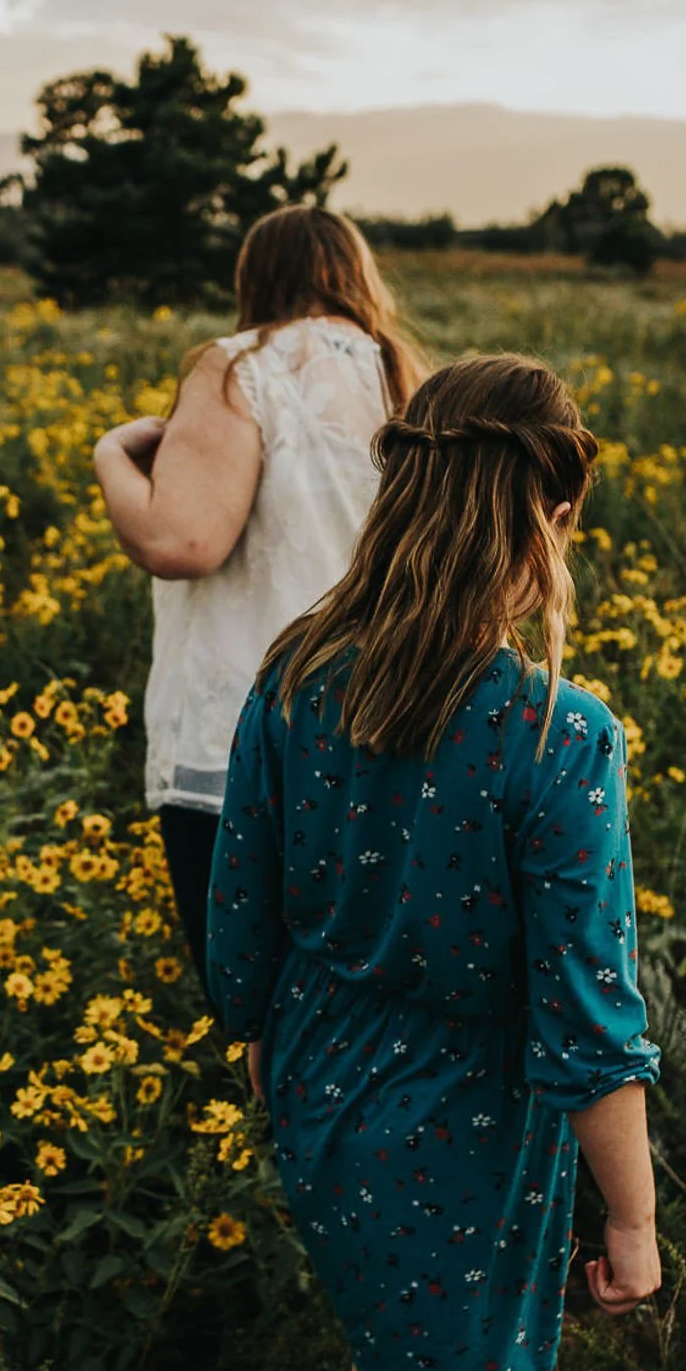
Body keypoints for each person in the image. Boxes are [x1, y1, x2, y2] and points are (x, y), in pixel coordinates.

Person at [204, 354, 664, 1371]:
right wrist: (634, 1222)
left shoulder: (294, 677)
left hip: (319, 1082)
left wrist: (262, 1036)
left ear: (401, 493)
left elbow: (240, 910)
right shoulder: (560, 736)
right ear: (554, 517)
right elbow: (587, 1022)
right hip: (461, 1121)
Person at [91, 205, 425, 985]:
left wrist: (112, 455)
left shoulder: (240, 367)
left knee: (254, 1011)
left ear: (255, 281)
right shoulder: (408, 377)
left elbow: (181, 541)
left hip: (246, 745)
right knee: (363, 1009)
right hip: (389, 735)